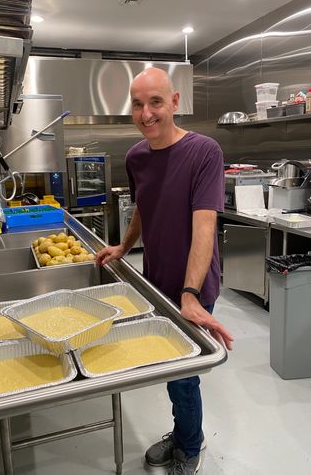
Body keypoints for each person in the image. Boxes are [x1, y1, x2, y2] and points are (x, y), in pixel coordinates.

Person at [96, 67, 233, 475]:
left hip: (194, 285)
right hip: (156, 282)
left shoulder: (205, 151)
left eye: (155, 102)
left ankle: (190, 446)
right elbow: (143, 205)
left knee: (183, 375)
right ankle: (182, 432)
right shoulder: (136, 156)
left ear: (174, 102)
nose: (146, 113)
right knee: (171, 370)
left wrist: (190, 294)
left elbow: (205, 224)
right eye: (137, 104)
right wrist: (124, 245)